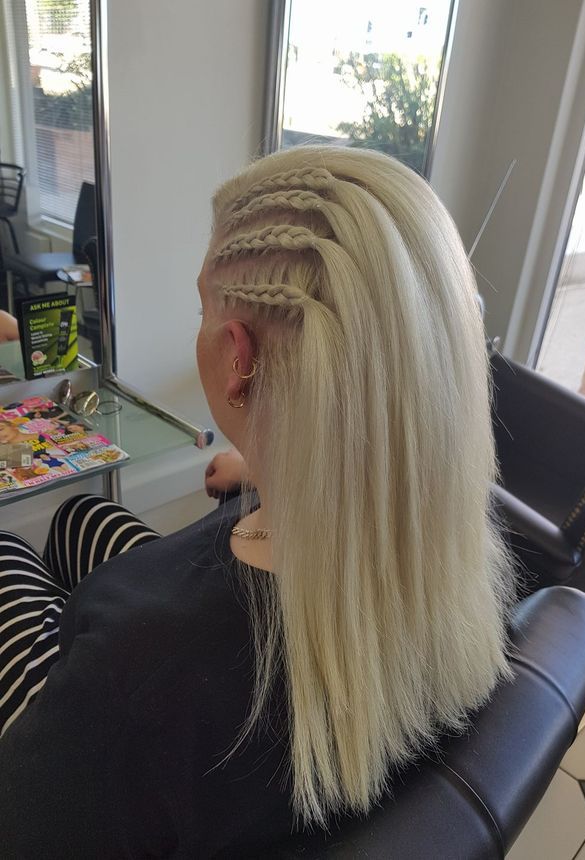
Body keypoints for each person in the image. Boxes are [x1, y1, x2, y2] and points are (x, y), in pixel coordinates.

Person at [0, 145, 517, 857]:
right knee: (79, 515)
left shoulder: (135, 671)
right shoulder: (455, 550)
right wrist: (270, 466)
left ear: (238, 356)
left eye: (202, 307)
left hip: (121, 710)